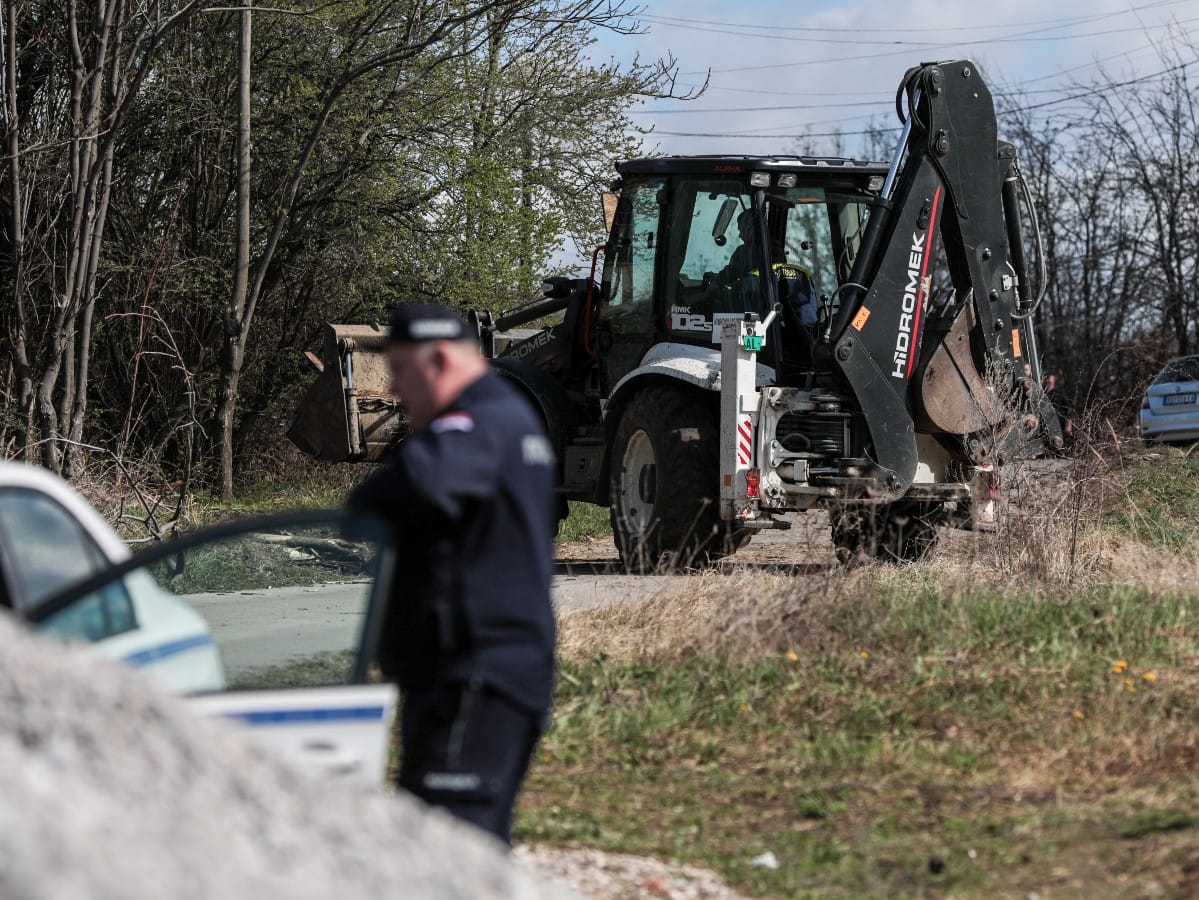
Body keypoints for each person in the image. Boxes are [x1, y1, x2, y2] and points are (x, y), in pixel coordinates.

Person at [347, 302, 557, 846]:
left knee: (449, 850)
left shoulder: (478, 423)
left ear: (439, 359)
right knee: (465, 851)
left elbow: (413, 485)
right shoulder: (507, 414)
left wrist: (363, 504)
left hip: (475, 679)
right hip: (481, 676)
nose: (394, 390)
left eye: (399, 371)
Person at [1043, 371, 1075, 451]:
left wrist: (1068, 427)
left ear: (1054, 379)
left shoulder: (1059, 394)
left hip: (1061, 429)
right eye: (1046, 378)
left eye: (1049, 378)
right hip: (1046, 429)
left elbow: (1069, 411)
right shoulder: (1041, 395)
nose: (1047, 381)